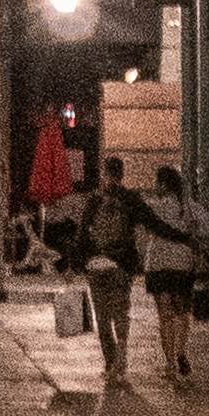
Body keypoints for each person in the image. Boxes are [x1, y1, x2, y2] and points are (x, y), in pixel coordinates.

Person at [134, 160, 209, 386]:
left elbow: (141, 222)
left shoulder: (154, 206)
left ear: (162, 183)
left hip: (158, 264)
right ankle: (181, 351)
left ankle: (169, 365)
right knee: (182, 312)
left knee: (164, 315)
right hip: (183, 264)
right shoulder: (188, 206)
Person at [78, 159, 140, 385]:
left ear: (105, 173)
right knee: (121, 313)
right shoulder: (130, 198)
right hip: (122, 265)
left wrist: (75, 264)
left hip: (97, 264)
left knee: (102, 317)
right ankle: (121, 358)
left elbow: (83, 232)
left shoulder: (95, 199)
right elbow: (144, 227)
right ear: (122, 174)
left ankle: (110, 362)